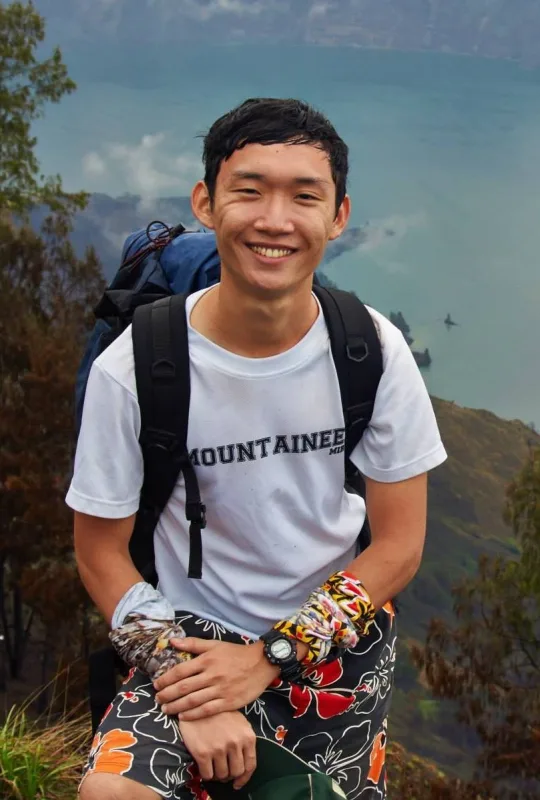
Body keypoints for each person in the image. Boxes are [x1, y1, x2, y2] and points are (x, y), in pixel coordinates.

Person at [67, 97, 447, 800]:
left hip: (332, 641)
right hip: (185, 642)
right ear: (206, 203)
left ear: (337, 216)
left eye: (305, 196)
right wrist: (196, 690)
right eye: (249, 190)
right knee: (112, 793)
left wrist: (270, 657)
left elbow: (399, 546)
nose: (275, 220)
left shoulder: (369, 352)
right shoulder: (138, 366)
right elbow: (99, 552)